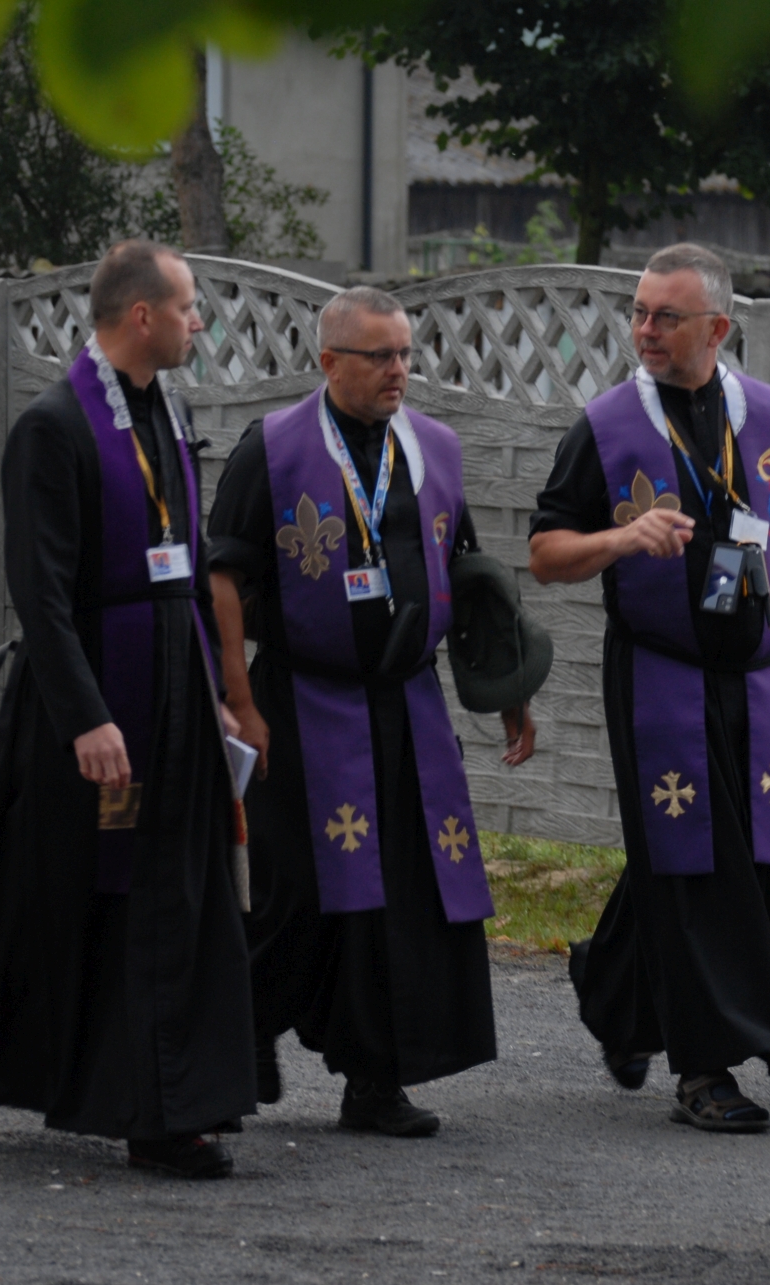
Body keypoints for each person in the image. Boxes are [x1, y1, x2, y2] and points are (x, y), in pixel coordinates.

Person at [0, 240, 255, 1178]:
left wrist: (213, 691)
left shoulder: (170, 410)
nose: (199, 321)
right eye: (188, 306)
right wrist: (87, 715)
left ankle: (165, 1110)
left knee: (173, 892)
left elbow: (187, 563)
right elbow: (39, 591)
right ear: (142, 315)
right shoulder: (52, 427)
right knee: (42, 892)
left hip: (172, 692)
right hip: (87, 696)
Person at [528, 242, 770, 1131]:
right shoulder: (605, 427)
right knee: (690, 858)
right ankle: (705, 1071)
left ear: (718, 327)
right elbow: (545, 554)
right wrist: (620, 539)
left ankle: (611, 984)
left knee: (742, 853)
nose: (645, 329)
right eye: (638, 313)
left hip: (757, 677)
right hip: (659, 675)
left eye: (665, 316)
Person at [207, 287, 528, 1136]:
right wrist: (237, 698)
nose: (398, 370)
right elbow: (224, 576)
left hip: (408, 706)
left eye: (405, 354)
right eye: (379, 355)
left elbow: (470, 577)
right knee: (294, 894)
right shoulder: (272, 449)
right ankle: (234, 1042)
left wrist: (508, 691)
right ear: (330, 362)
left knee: (403, 899)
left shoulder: (435, 449)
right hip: (301, 703)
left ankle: (376, 1081)